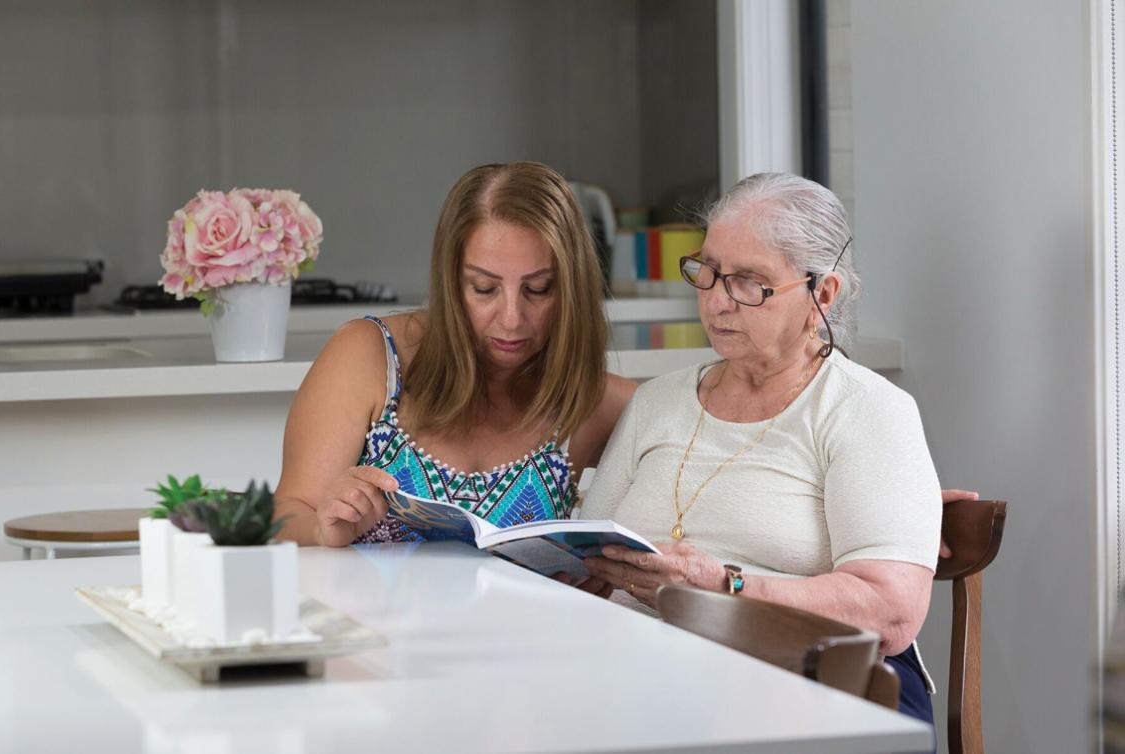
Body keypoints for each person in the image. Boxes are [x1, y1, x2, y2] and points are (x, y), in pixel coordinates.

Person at [576, 172, 947, 731]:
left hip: (806, 681)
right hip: (645, 679)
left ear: (822, 293)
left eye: (749, 283)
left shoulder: (866, 409)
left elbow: (891, 612)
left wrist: (725, 590)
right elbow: (590, 564)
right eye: (709, 272)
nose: (717, 303)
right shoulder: (657, 403)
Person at [274, 161, 635, 547]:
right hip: (365, 610)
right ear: (450, 281)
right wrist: (320, 528)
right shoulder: (368, 355)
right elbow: (288, 508)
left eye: (539, 289)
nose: (512, 319)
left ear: (571, 289)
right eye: (484, 288)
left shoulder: (590, 400)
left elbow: (698, 445)